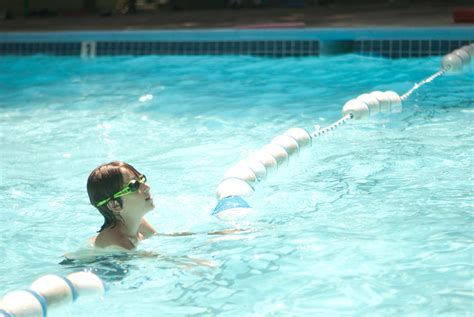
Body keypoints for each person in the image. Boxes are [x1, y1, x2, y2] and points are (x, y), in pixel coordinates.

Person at [87, 161, 156, 250]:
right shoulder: (118, 242)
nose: (147, 187)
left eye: (141, 179)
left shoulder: (136, 221)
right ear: (115, 205)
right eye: (134, 186)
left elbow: (157, 236)